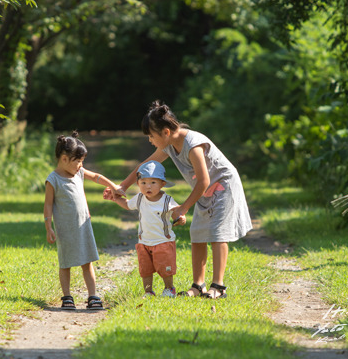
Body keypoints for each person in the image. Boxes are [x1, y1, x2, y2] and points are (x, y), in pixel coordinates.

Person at [105, 100, 252, 299]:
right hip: (203, 191)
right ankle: (198, 285)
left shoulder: (192, 144)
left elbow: (204, 180)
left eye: (151, 136)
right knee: (198, 233)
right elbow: (145, 166)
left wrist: (183, 208)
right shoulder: (168, 145)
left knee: (218, 234)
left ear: (165, 132)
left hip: (224, 187)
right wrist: (122, 186)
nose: (150, 141)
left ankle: (218, 286)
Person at [44, 131, 125, 310]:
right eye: (78, 161)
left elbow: (96, 176)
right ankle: (67, 296)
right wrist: (48, 227)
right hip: (65, 229)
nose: (81, 165)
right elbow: (48, 205)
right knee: (65, 263)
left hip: (83, 225)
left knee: (87, 261)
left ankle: (93, 295)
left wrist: (113, 186)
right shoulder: (53, 180)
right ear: (64, 159)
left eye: (82, 161)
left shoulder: (79, 173)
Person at [111, 160, 186, 297]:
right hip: (144, 241)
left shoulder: (166, 200)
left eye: (153, 182)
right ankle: (148, 291)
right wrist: (116, 199)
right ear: (138, 184)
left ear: (162, 184)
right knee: (145, 269)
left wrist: (181, 218)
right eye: (143, 183)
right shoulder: (139, 198)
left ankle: (169, 288)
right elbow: (127, 204)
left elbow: (177, 210)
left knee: (165, 268)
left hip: (163, 241)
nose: (147, 187)